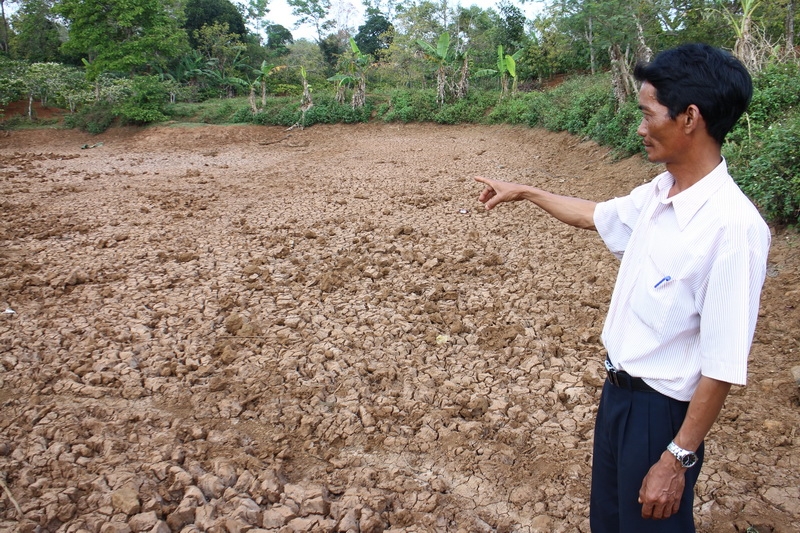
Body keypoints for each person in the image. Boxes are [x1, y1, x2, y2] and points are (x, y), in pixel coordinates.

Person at [474, 43, 771, 533]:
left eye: (647, 114)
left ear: (690, 117)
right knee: (610, 523)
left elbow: (721, 364)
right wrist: (526, 192)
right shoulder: (660, 192)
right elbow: (598, 216)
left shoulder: (733, 228)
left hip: (661, 414)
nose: (639, 128)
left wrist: (676, 458)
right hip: (618, 398)